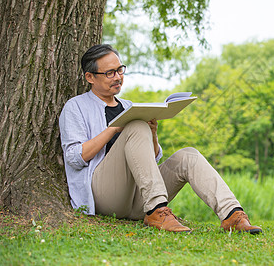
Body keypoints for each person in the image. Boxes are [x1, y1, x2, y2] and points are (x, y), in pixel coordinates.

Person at [59, 44, 262, 234]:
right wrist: (114, 129)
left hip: (140, 200)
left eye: (120, 70)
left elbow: (152, 161)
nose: (118, 77)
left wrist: (153, 133)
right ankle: (158, 210)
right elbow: (75, 157)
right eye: (110, 73)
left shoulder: (129, 105)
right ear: (90, 77)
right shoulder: (76, 107)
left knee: (188, 155)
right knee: (136, 125)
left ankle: (232, 216)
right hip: (105, 196)